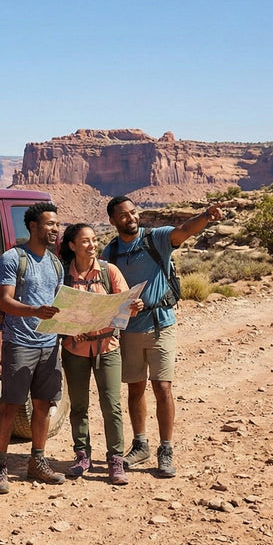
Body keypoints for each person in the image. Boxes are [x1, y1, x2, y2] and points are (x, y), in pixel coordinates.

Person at [103, 196, 224, 478]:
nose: (130, 218)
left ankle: (166, 449)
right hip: (129, 330)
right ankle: (140, 444)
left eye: (133, 212)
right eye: (123, 215)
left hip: (160, 325)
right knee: (135, 389)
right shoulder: (110, 253)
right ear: (113, 221)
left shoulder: (155, 238)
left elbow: (183, 230)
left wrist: (205, 216)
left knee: (163, 388)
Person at [0, 201, 65, 494]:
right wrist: (35, 311)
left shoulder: (56, 262)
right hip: (19, 343)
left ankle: (37, 461)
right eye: (49, 224)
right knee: (10, 406)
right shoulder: (13, 258)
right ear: (33, 227)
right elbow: (5, 301)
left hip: (49, 343)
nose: (55, 229)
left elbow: (59, 303)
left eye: (57, 224)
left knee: (43, 406)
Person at [58, 223, 141, 486]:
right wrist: (71, 329)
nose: (92, 245)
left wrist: (134, 305)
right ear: (72, 246)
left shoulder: (109, 271)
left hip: (107, 349)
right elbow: (56, 313)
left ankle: (115, 459)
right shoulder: (63, 276)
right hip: (75, 350)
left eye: (94, 240)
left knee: (112, 406)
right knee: (79, 406)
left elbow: (126, 309)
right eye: (85, 241)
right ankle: (82, 456)